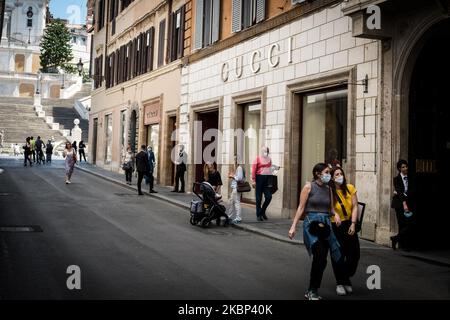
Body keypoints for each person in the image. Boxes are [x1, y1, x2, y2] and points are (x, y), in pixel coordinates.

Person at [288, 163, 342, 300]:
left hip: (325, 225)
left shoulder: (329, 189)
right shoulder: (308, 187)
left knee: (323, 259)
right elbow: (301, 208)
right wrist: (293, 226)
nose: (328, 175)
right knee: (319, 255)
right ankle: (312, 290)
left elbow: (331, 209)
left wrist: (335, 214)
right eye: (326, 172)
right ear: (318, 174)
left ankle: (314, 288)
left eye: (329, 173)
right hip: (311, 225)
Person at [329, 166, 360, 296]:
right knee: (338, 254)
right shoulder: (330, 190)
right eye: (336, 174)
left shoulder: (350, 188)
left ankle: (345, 276)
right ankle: (341, 283)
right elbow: (330, 207)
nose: (339, 176)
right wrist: (334, 214)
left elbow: (355, 206)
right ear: (332, 177)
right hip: (336, 224)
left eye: (340, 173)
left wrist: (353, 224)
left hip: (349, 223)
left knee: (354, 253)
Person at [390, 159, 414, 250]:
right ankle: (403, 245)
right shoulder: (396, 179)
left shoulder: (411, 177)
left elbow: (412, 190)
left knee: (409, 224)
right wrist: (403, 198)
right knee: (401, 224)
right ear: (399, 168)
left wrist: (404, 194)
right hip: (399, 204)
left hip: (409, 203)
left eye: (406, 166)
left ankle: (395, 238)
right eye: (403, 167)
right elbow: (399, 191)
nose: (405, 168)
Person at [251, 146, 273, 221]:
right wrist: (253, 180)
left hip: (267, 179)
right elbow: (254, 169)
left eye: (266, 151)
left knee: (269, 196)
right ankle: (258, 214)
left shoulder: (269, 159)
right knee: (258, 198)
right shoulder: (257, 158)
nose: (265, 152)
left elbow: (270, 169)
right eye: (264, 151)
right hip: (259, 178)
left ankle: (262, 211)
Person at [227, 157, 244, 224]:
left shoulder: (239, 168)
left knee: (237, 203)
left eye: (235, 160)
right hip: (235, 188)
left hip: (236, 188)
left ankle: (238, 218)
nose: (234, 161)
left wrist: (232, 176)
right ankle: (229, 216)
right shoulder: (239, 168)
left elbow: (239, 178)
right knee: (232, 202)